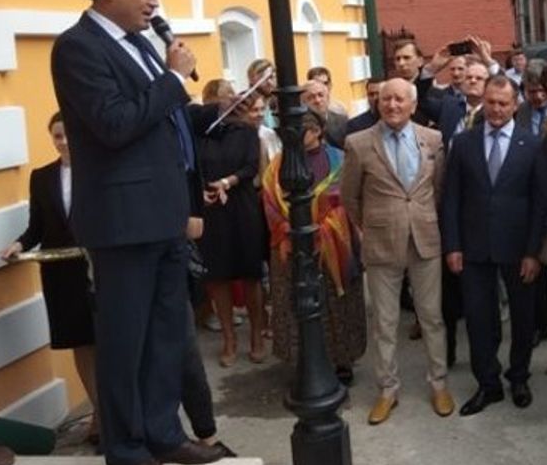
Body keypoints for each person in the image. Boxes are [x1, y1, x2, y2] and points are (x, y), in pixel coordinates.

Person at [50, 0, 220, 465]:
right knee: (125, 340)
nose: (155, 0)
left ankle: (162, 431)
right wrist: (173, 80)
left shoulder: (141, 45)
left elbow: (159, 121)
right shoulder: (78, 48)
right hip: (122, 222)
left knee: (168, 333)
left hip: (163, 214)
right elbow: (116, 124)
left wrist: (206, 110)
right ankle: (124, 452)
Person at [341, 78, 455, 423]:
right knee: (386, 322)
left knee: (432, 317)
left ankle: (438, 384)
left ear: (413, 104)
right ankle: (387, 390)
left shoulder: (432, 140)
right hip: (380, 241)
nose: (392, 105)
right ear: (378, 102)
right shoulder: (358, 143)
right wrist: (375, 224)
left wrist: (416, 216)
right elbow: (350, 197)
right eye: (387, 99)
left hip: (424, 238)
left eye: (399, 100)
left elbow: (438, 190)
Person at [442, 75, 547, 414]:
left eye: (504, 103)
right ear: (483, 101)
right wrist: (453, 245)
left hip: (519, 249)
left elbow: (541, 202)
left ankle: (518, 376)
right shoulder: (463, 143)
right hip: (473, 247)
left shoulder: (531, 144)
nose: (496, 109)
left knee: (522, 317)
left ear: (515, 105)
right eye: (491, 102)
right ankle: (487, 383)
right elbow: (451, 199)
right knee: (478, 318)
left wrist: (533, 251)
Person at [0, 112, 99, 444]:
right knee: (81, 344)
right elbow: (36, 228)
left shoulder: (102, 171)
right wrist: (17, 245)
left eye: (69, 134)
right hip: (61, 275)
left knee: (109, 342)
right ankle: (100, 414)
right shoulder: (41, 177)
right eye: (57, 136)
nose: (64, 141)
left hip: (100, 270)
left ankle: (117, 413)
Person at [263, 109, 365, 384]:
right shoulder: (277, 164)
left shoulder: (340, 161)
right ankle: (301, 363)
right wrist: (287, 229)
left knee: (337, 304)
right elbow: (270, 201)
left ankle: (342, 361)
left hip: (334, 245)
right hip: (291, 245)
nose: (296, 137)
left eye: (302, 131)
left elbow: (350, 200)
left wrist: (325, 227)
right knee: (294, 303)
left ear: (317, 131)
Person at [195, 94, 266, 367]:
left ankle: (257, 336)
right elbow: (192, 169)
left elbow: (251, 167)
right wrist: (204, 190)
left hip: (242, 206)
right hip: (212, 209)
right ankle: (229, 339)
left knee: (251, 273)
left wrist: (226, 182)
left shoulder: (247, 132)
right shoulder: (201, 136)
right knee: (217, 276)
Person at [303, 78, 349, 149]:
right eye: (311, 97)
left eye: (320, 95)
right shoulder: (300, 126)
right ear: (303, 102)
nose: (317, 100)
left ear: (328, 98)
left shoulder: (342, 121)